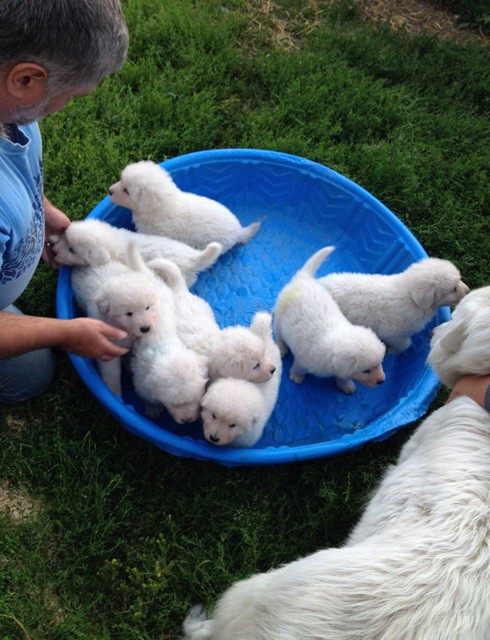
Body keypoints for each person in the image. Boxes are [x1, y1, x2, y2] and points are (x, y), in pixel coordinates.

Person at [0, 0, 131, 403]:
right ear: (24, 80)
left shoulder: (10, 111)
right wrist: (65, 332)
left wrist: (40, 209)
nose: (67, 105)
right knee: (31, 375)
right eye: (71, 95)